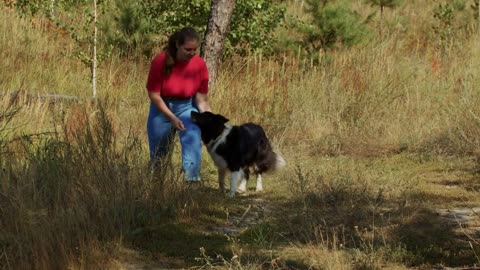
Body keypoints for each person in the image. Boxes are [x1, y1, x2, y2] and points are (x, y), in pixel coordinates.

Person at [146, 27, 211, 184]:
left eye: (194, 50)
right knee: (159, 152)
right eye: (187, 49)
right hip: (162, 108)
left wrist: (210, 122)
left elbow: (201, 100)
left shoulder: (199, 65)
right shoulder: (160, 61)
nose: (191, 53)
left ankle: (192, 182)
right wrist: (172, 117)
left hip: (187, 106)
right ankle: (156, 186)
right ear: (177, 45)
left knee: (193, 137)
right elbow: (154, 95)